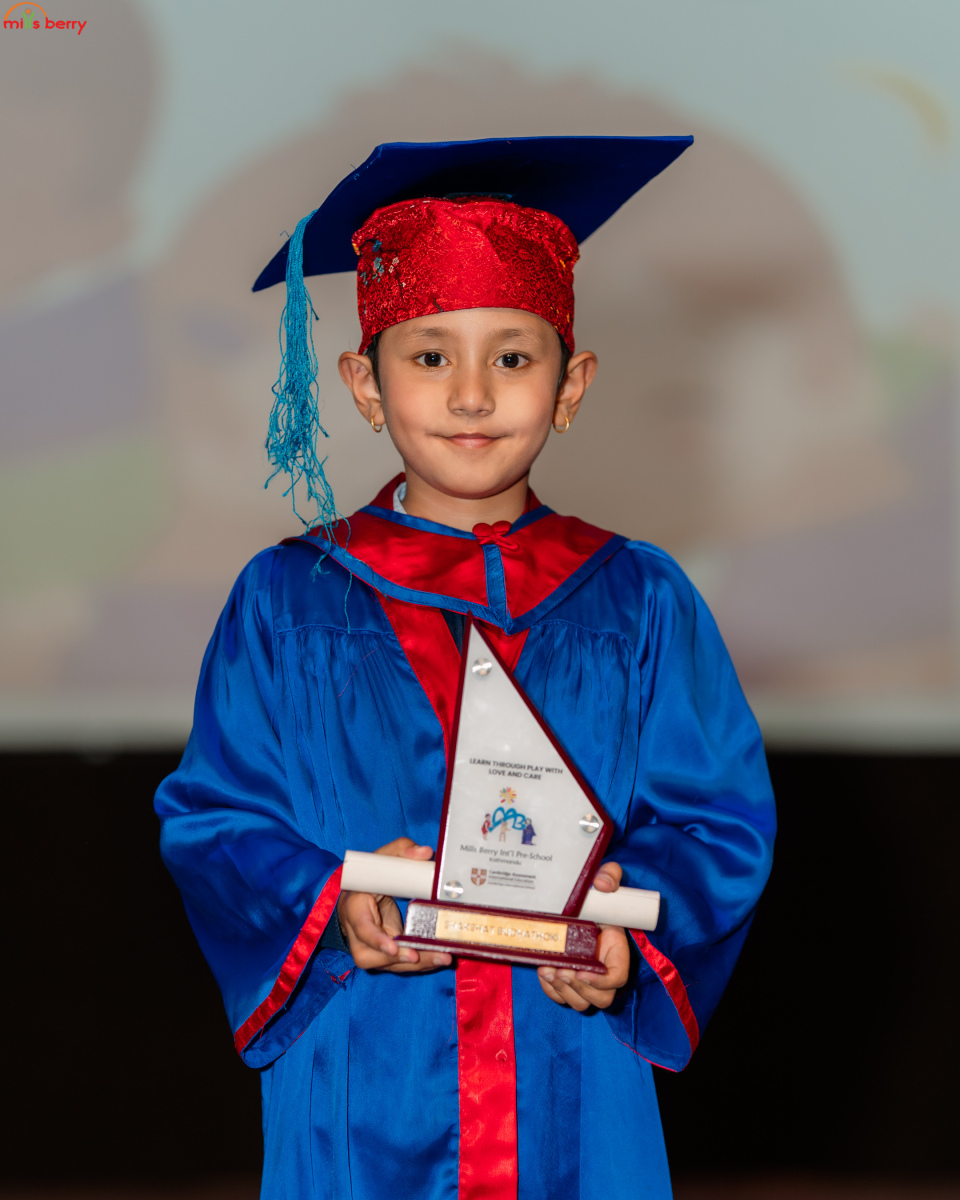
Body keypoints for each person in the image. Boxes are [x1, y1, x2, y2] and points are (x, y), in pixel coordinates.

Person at [155, 137, 776, 1200]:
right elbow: (216, 818)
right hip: (369, 1071)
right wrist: (331, 902)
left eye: (515, 358)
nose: (474, 395)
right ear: (364, 383)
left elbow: (717, 819)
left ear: (572, 386)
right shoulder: (290, 600)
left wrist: (634, 928)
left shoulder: (637, 600)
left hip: (567, 1067)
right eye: (430, 356)